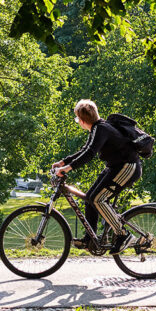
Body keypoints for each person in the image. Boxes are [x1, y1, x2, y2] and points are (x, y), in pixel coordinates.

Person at [52, 99, 141, 250]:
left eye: (77, 119)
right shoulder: (98, 128)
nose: (78, 122)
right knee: (89, 198)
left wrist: (68, 168)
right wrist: (63, 162)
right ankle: (90, 239)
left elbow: (90, 154)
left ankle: (123, 234)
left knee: (98, 199)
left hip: (127, 167)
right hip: (116, 167)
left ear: (82, 120)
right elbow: (85, 150)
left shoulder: (101, 129)